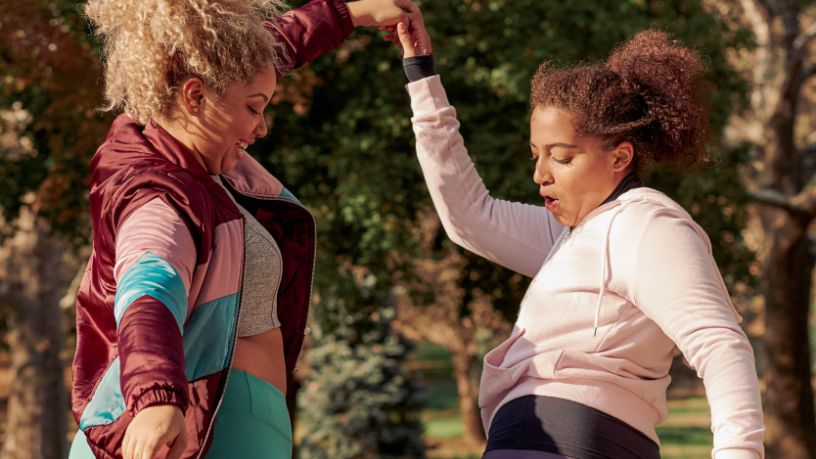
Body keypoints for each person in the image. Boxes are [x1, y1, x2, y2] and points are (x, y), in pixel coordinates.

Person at [392, 14, 765, 459]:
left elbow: (718, 343)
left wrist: (740, 452)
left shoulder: (647, 225)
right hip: (532, 437)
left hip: (574, 437)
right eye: (536, 155)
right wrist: (422, 75)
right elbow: (470, 217)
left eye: (562, 157)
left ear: (619, 157)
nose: (540, 174)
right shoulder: (570, 235)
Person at [69, 1, 418, 458]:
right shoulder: (158, 197)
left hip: (223, 421)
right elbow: (149, 291)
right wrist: (155, 397)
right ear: (195, 97)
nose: (262, 127)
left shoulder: (181, 148)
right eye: (255, 109)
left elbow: (248, 57)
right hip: (204, 427)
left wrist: (346, 13)